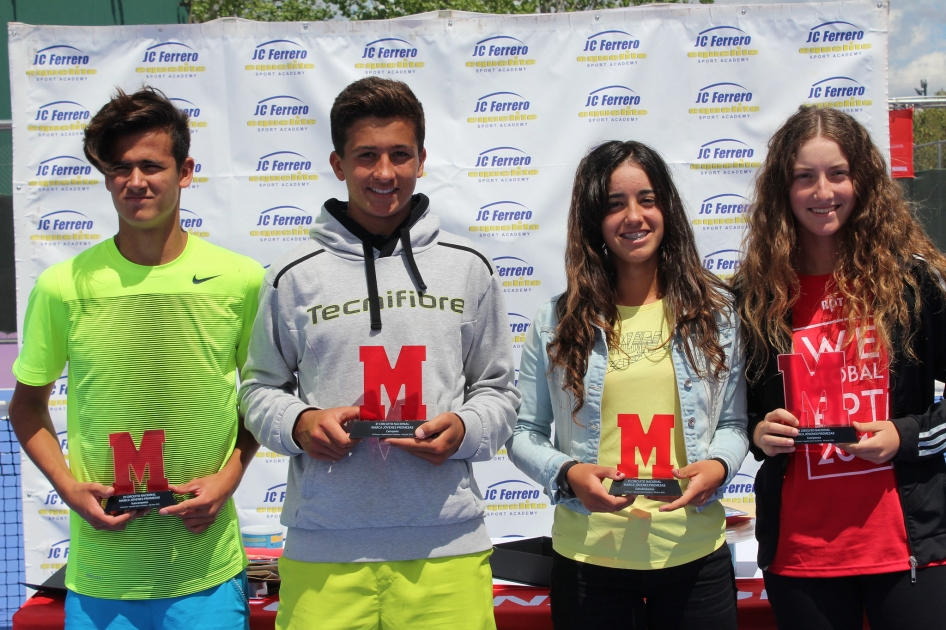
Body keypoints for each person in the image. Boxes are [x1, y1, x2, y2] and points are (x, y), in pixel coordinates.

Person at [238, 77, 519, 630]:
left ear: (421, 159)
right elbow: (257, 390)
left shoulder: (469, 266)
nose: (384, 173)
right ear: (339, 164)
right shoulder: (293, 275)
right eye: (366, 156)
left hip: (448, 549)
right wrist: (301, 423)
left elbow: (500, 393)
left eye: (399, 155)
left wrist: (464, 428)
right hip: (324, 552)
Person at [9, 87, 263, 629]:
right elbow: (27, 406)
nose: (135, 181)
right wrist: (68, 487)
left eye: (151, 165)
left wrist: (229, 479)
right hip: (101, 581)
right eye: (119, 168)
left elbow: (263, 399)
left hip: (207, 577)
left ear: (186, 171)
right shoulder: (62, 285)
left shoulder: (241, 279)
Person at [507, 140, 748, 630]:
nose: (633, 216)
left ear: (668, 210)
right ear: (593, 219)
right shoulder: (556, 321)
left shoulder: (716, 314)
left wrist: (719, 465)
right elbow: (522, 430)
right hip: (590, 561)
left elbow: (735, 422)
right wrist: (567, 473)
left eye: (647, 199)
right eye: (614, 204)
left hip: (695, 557)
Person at [734, 106, 946, 630]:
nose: (822, 192)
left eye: (838, 174)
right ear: (783, 189)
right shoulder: (753, 298)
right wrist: (759, 433)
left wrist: (905, 436)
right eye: (804, 177)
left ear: (864, 181)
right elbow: (732, 421)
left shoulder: (914, 286)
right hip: (801, 555)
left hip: (907, 549)